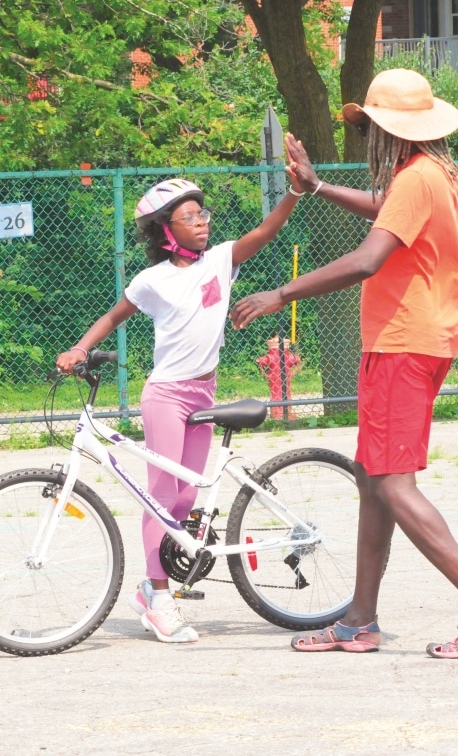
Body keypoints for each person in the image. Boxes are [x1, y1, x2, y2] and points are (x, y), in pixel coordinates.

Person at [230, 68, 458, 659]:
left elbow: (367, 259)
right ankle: (360, 619)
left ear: (391, 131)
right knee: (373, 480)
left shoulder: (416, 179)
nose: (366, 142)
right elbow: (385, 209)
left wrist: (279, 295)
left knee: (391, 482)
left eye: (369, 131)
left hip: (402, 345)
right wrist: (318, 187)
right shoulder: (437, 173)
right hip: (416, 342)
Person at [57, 177, 300, 643]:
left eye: (203, 214)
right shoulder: (153, 280)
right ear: (164, 230)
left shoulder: (222, 260)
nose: (201, 223)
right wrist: (80, 347)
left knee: (187, 500)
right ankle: (161, 599)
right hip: (166, 396)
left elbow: (267, 230)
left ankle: (152, 586)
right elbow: (113, 316)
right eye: (189, 218)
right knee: (162, 498)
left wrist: (294, 191)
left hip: (203, 395)